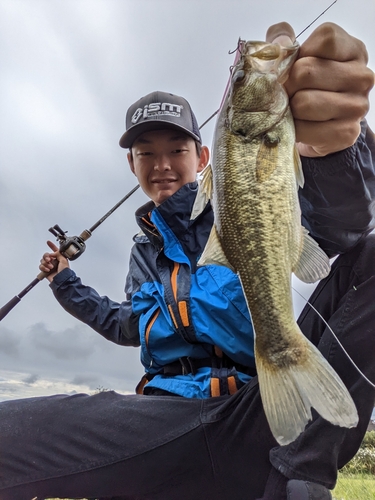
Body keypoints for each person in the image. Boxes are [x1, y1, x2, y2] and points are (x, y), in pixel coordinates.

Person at [0, 21, 374, 500]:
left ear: (202, 157)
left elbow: (340, 227)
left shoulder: (237, 206)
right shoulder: (143, 253)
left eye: (176, 150)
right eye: (146, 153)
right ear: (131, 165)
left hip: (250, 411)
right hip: (157, 420)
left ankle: (297, 477)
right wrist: (65, 283)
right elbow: (128, 325)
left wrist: (333, 152)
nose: (161, 165)